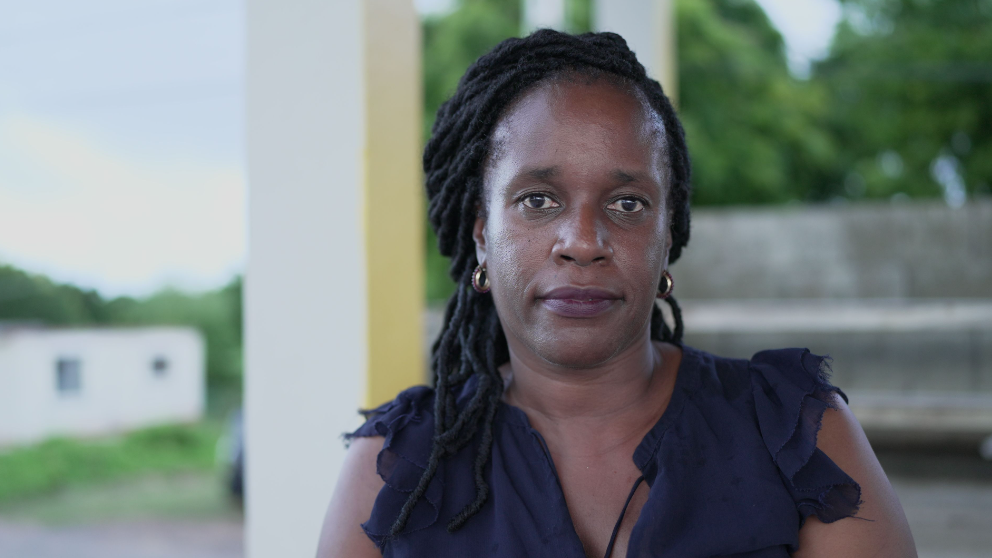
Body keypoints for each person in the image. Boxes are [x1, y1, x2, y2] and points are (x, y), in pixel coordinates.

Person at [317, 30, 916, 558]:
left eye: (627, 204)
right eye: (537, 201)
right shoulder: (395, 468)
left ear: (667, 234)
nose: (582, 242)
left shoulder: (796, 432)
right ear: (481, 233)